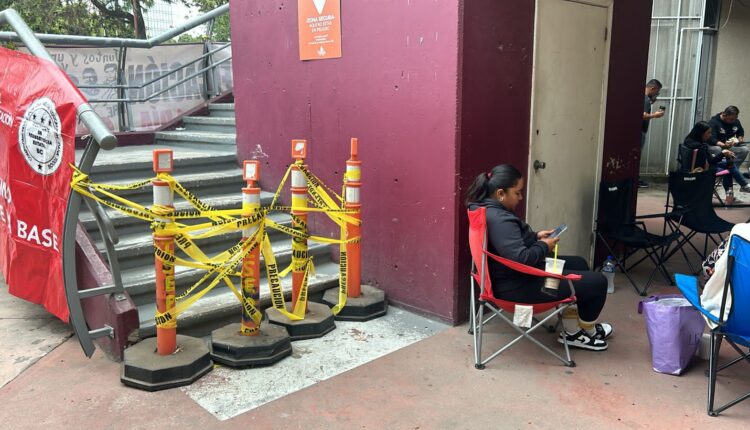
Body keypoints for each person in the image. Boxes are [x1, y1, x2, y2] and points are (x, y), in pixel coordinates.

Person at [466, 164, 612, 351]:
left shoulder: (485, 209)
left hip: (507, 278)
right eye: (517, 193)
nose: (520, 197)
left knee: (579, 263)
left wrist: (535, 237)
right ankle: (580, 333)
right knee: (598, 282)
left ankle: (576, 328)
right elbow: (522, 258)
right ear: (501, 193)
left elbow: (508, 244)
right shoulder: (501, 219)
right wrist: (544, 246)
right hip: (517, 289)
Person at [678, 121, 750, 202]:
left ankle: (743, 186)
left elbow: (706, 159)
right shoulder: (700, 146)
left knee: (729, 164)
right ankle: (734, 193)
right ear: (701, 133)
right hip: (703, 170)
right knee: (729, 168)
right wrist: (723, 153)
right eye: (708, 133)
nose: (710, 135)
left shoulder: (688, 140)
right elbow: (711, 161)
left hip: (690, 168)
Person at [708, 105, 748, 178]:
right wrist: (723, 145)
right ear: (724, 115)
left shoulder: (735, 121)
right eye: (731, 119)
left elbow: (740, 132)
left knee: (744, 150)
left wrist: (740, 138)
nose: (733, 121)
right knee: (717, 149)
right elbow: (711, 139)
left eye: (735, 118)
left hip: (729, 145)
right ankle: (719, 172)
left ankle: (733, 172)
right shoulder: (714, 122)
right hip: (716, 145)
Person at [640, 79, 666, 188]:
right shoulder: (645, 99)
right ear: (652, 88)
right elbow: (643, 115)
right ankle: (636, 179)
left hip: (640, 131)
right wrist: (654, 115)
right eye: (657, 91)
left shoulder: (645, 99)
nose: (657, 94)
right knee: (638, 156)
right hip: (640, 132)